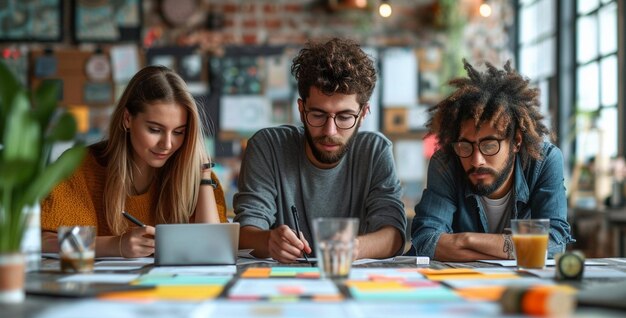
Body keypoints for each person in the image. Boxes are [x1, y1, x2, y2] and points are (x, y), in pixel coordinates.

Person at [233, 38, 407, 263]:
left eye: (345, 117)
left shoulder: (374, 151)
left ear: (363, 114)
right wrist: (269, 241)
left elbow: (393, 235)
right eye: (318, 115)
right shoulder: (268, 147)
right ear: (301, 109)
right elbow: (245, 232)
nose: (330, 130)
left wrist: (354, 248)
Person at [41, 66, 227, 257]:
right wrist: (115, 245)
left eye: (179, 132)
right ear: (127, 119)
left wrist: (203, 176)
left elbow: (212, 247)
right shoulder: (80, 167)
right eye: (155, 130)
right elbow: (47, 242)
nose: (168, 144)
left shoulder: (193, 173)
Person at [411, 59, 573, 261]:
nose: (476, 160)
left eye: (489, 145)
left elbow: (554, 244)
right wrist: (520, 247)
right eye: (465, 146)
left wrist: (466, 240)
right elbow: (427, 241)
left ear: (516, 142)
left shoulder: (543, 161)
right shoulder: (447, 162)